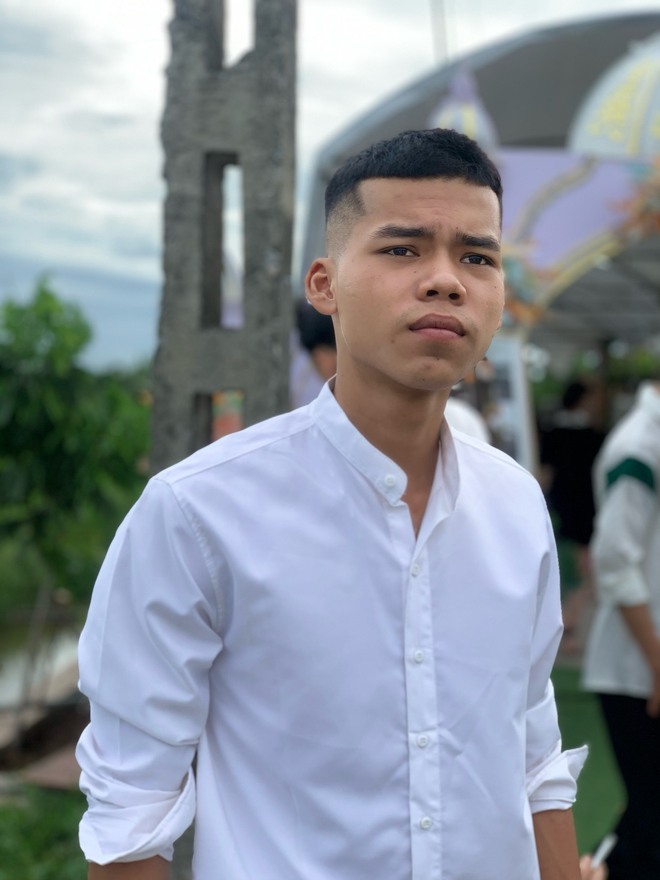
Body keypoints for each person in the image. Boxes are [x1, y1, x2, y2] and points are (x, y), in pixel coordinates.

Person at [76, 128, 588, 879]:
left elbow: (534, 753)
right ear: (324, 285)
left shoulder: (515, 505)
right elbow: (130, 813)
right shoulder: (199, 514)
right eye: (402, 249)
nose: (445, 281)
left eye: (477, 257)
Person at [582, 379, 660, 880]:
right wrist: (656, 661)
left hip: (644, 666)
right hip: (636, 671)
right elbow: (613, 562)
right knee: (650, 819)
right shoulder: (639, 446)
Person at [539, 379, 605, 651]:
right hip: (585, 514)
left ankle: (565, 623)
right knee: (586, 573)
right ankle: (567, 624)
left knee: (568, 572)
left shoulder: (552, 432)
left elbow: (544, 474)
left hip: (559, 510)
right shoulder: (595, 436)